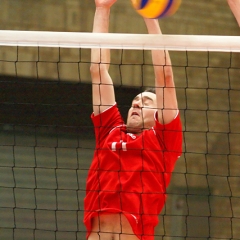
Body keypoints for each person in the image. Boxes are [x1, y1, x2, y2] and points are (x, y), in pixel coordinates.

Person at [83, 0, 182, 239]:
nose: (137, 103)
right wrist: (102, 8)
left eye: (147, 102)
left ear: (159, 115)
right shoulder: (110, 129)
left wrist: (149, 14)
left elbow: (165, 76)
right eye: (136, 100)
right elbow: (98, 69)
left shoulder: (164, 141)